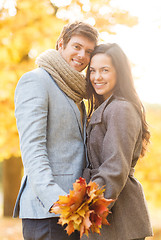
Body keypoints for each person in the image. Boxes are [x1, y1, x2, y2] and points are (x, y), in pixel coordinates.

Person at [13, 21, 98, 240]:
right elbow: (33, 148)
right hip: (48, 212)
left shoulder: (74, 91)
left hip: (74, 211)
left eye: (88, 52)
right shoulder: (37, 81)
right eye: (77, 47)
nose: (82, 55)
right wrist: (55, 200)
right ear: (61, 44)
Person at [82, 43, 153, 240]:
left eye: (105, 70)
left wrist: (87, 207)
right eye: (93, 71)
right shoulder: (106, 106)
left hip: (119, 217)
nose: (97, 77)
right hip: (108, 212)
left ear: (119, 72)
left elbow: (114, 168)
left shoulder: (121, 108)